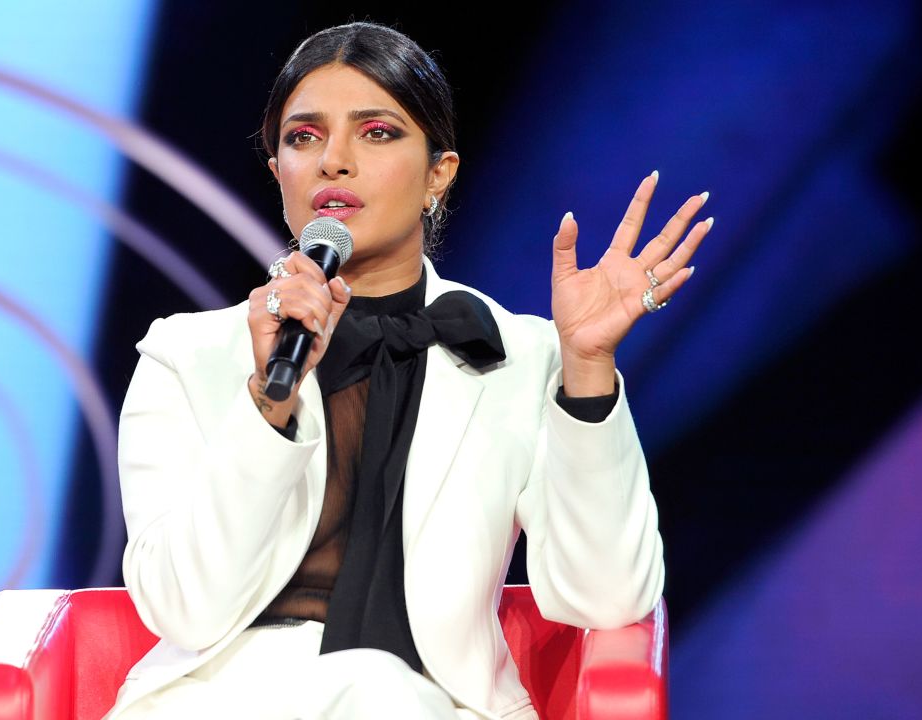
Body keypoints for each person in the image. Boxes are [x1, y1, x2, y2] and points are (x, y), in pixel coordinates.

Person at [104, 20, 707, 720]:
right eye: (303, 137)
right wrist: (267, 403)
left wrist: (589, 368)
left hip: (428, 704)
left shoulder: (524, 354)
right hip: (216, 703)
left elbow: (607, 597)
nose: (333, 160)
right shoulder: (187, 354)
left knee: (373, 687)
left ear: (438, 175)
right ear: (278, 175)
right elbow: (184, 609)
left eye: (376, 132)